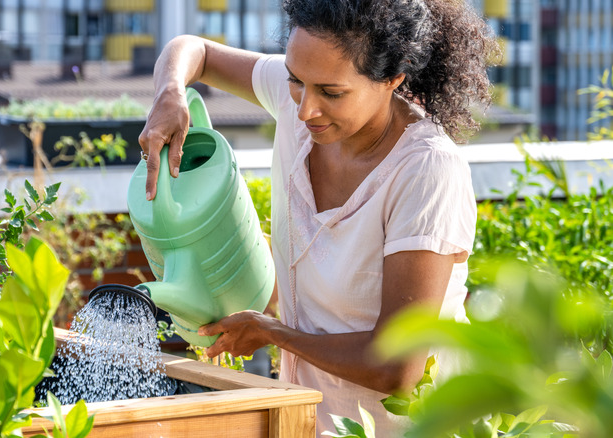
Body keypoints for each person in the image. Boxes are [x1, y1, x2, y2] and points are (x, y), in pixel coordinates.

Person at [138, 0, 496, 435]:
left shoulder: (426, 170)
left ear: (393, 79)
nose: (305, 109)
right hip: (306, 415)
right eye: (294, 80)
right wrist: (169, 92)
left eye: (331, 93)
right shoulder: (307, 101)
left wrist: (273, 333)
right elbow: (193, 50)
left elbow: (397, 366)